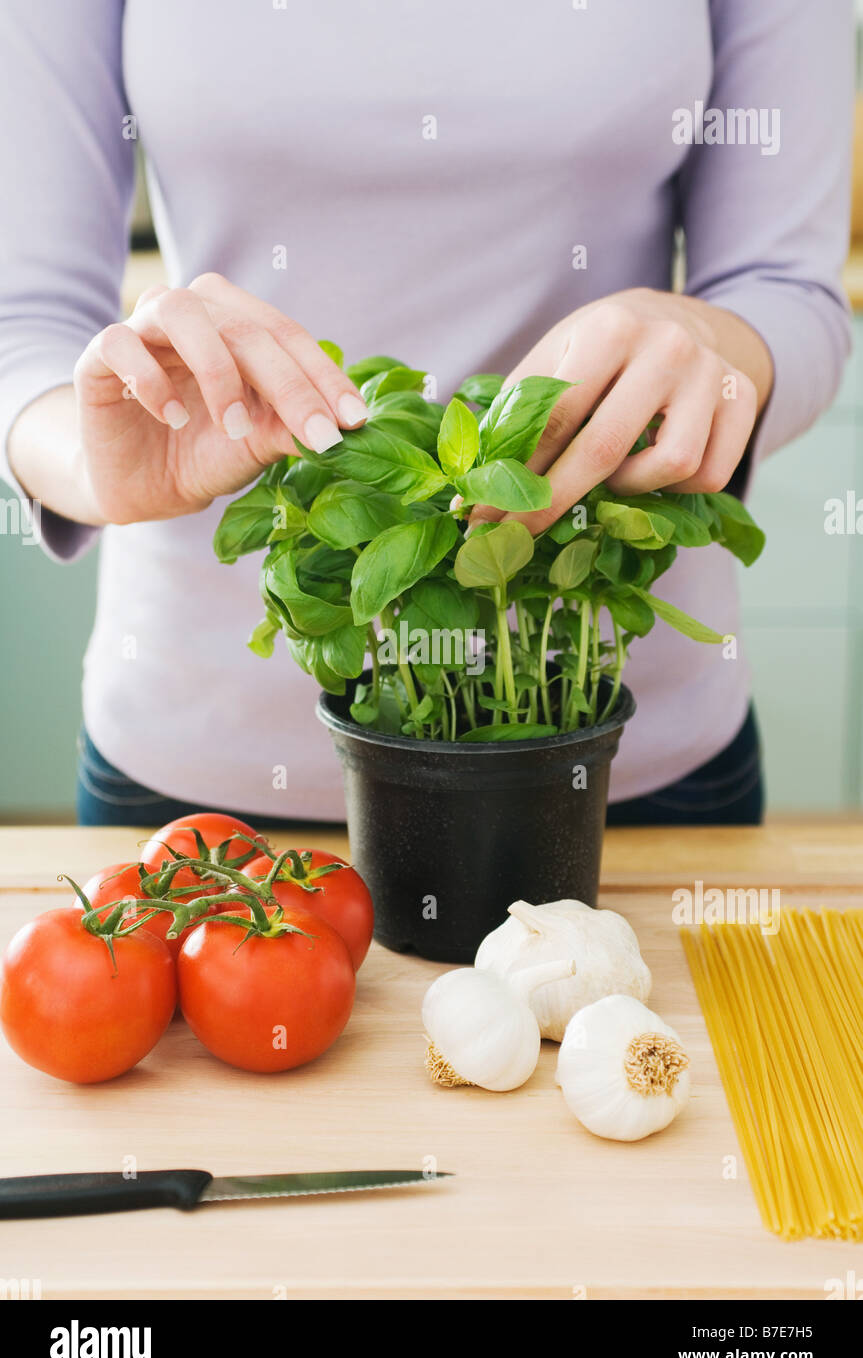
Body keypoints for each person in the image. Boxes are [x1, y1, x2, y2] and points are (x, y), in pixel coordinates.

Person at [0, 1, 853, 828]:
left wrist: (707, 337)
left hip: (614, 746)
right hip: (201, 752)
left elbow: (787, 289)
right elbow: (23, 322)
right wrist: (92, 461)